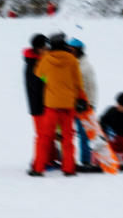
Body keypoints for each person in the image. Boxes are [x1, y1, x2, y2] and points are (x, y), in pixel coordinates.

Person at [30, 32, 86, 176]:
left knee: (45, 138)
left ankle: (38, 168)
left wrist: (50, 80)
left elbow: (39, 75)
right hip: (68, 106)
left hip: (51, 105)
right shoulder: (72, 60)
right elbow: (78, 83)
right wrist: (81, 99)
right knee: (68, 138)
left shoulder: (46, 59)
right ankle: (68, 169)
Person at [70, 37, 98, 167]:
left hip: (84, 105)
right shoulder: (73, 63)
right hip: (73, 104)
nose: (69, 51)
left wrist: (91, 104)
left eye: (72, 49)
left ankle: (86, 160)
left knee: (84, 134)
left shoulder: (85, 66)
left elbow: (92, 87)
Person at [22, 33, 49, 162]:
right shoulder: (33, 64)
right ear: (39, 48)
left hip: (41, 104)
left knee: (46, 135)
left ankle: (46, 158)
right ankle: (39, 161)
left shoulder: (37, 61)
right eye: (45, 47)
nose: (48, 50)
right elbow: (40, 84)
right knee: (42, 135)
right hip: (38, 105)